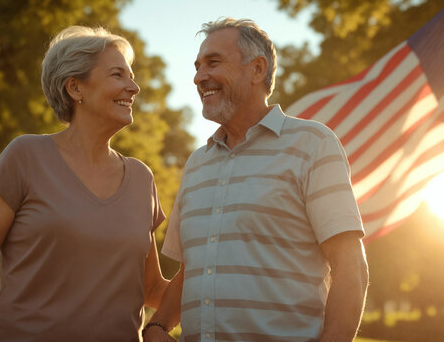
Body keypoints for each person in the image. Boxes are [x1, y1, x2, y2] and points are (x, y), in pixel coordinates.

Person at [143, 18, 368, 342]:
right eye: (197, 66)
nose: (199, 76)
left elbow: (351, 267)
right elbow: (193, 272)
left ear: (257, 69)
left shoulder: (313, 144)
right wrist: (157, 327)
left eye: (213, 62)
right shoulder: (197, 163)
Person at [0, 26, 169, 342]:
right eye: (118, 75)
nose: (134, 87)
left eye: (132, 76)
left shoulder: (142, 178)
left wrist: (218, 263)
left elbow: (152, 289)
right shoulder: (25, 157)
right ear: (75, 88)